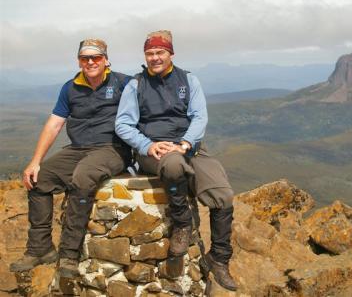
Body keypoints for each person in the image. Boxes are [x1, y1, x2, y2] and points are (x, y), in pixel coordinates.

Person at [115, 30, 237, 291]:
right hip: (155, 150)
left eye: (160, 52)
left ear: (171, 54)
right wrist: (147, 145)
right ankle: (182, 223)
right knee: (172, 165)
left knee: (223, 195)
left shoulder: (188, 80)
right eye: (150, 53)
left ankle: (219, 257)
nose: (155, 58)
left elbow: (199, 117)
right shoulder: (136, 85)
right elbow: (123, 124)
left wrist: (186, 143)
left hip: (188, 146)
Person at [10, 39, 132, 278]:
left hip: (113, 148)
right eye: (85, 58)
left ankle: (69, 253)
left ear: (106, 60)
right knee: (39, 178)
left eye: (95, 57)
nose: (90, 62)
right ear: (79, 61)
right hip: (78, 148)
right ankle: (40, 248)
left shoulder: (124, 83)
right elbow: (55, 124)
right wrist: (35, 161)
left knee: (83, 177)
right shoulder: (70, 87)